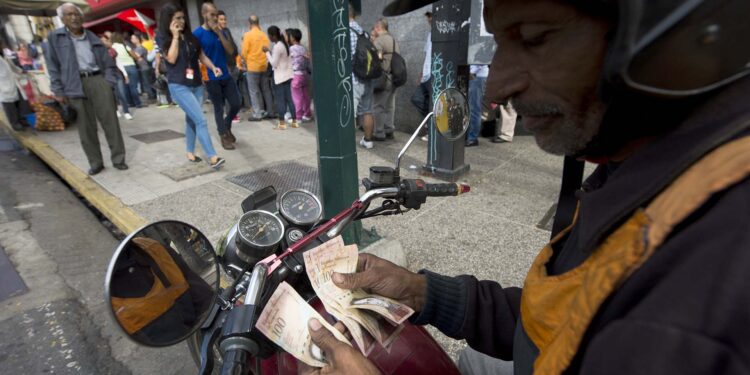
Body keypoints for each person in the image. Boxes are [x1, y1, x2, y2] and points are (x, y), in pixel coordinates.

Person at [299, 0, 750, 374]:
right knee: (474, 360)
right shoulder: (643, 163)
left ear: (671, 31)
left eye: (535, 37)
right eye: (499, 43)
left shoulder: (692, 312)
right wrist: (422, 292)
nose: (497, 84)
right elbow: (562, 321)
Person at [45, 3, 127, 175]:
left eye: (76, 14)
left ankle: (118, 159)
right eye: (69, 15)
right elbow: (53, 65)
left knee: (110, 122)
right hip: (74, 84)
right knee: (85, 127)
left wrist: (109, 82)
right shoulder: (55, 37)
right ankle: (96, 162)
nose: (73, 17)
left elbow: (108, 62)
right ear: (62, 19)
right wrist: (58, 90)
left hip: (98, 80)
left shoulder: (92, 37)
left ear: (81, 17)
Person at [155, 3, 225, 169]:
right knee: (200, 120)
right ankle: (213, 157)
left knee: (191, 119)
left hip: (196, 84)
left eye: (183, 17)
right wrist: (175, 36)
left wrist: (213, 67)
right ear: (169, 20)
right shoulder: (163, 37)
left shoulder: (191, 36)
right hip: (179, 85)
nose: (182, 21)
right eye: (177, 18)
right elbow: (171, 59)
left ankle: (189, 151)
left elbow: (201, 55)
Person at [194, 3, 241, 150]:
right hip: (210, 76)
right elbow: (199, 56)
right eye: (212, 14)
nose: (215, 18)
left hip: (225, 74)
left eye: (216, 14)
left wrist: (219, 33)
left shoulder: (222, 31)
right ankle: (223, 136)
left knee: (236, 103)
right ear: (204, 14)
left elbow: (231, 51)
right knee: (219, 107)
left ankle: (226, 126)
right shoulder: (197, 34)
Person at [349, 4, 376, 149]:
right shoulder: (364, 33)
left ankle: (348, 144)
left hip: (353, 79)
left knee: (350, 113)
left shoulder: (345, 33)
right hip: (367, 78)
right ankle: (368, 140)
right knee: (367, 110)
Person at [242, 15, 275, 121]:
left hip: (252, 67)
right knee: (266, 90)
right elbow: (267, 50)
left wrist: (245, 62)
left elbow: (244, 52)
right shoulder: (264, 35)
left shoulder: (247, 35)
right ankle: (270, 112)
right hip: (264, 66)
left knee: (254, 91)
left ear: (249, 24)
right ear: (258, 23)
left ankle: (257, 114)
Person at [263, 26, 297, 130]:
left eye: (269, 35)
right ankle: (294, 121)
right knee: (289, 99)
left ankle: (282, 123)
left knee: (280, 100)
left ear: (273, 35)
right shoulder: (284, 44)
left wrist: (267, 52)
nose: (269, 37)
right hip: (288, 75)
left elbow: (274, 63)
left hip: (280, 77)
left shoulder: (277, 46)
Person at [371, 18, 399, 141]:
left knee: (378, 106)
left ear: (378, 28)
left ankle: (379, 132)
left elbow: (376, 60)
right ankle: (389, 130)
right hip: (394, 76)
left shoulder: (379, 41)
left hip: (383, 78)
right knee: (390, 106)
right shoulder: (393, 40)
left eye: (374, 28)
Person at [99, 33, 134, 121]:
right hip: (106, 76)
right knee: (111, 95)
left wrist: (125, 74)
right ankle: (116, 109)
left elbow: (119, 62)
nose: (104, 42)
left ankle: (126, 112)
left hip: (117, 74)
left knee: (122, 93)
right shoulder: (98, 53)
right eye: (102, 41)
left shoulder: (112, 50)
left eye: (106, 40)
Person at [217, 10, 242, 124]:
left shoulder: (227, 31)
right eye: (221, 19)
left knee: (234, 91)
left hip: (233, 65)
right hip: (224, 66)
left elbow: (233, 47)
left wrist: (237, 60)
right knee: (229, 92)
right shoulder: (216, 33)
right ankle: (231, 114)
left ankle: (233, 113)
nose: (224, 21)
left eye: (225, 19)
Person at [0, 44, 31, 131]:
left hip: (12, 82)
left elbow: (12, 67)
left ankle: (21, 120)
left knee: (19, 102)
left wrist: (21, 71)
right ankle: (15, 123)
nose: (2, 46)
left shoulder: (4, 56)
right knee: (9, 106)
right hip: (3, 85)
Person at [412, 11, 432, 142]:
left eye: (431, 16)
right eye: (428, 17)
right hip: (426, 74)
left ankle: (432, 130)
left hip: (435, 75)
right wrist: (421, 73)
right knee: (417, 99)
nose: (429, 19)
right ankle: (431, 121)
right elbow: (426, 55)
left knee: (433, 104)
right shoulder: (430, 34)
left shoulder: (441, 33)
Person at [110, 32, 143, 108]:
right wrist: (137, 59)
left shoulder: (112, 48)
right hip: (130, 66)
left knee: (125, 86)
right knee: (133, 86)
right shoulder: (124, 45)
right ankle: (138, 103)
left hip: (120, 68)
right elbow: (133, 54)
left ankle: (130, 103)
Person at [287, 28, 312, 122]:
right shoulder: (303, 48)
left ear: (292, 38)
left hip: (296, 75)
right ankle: (307, 114)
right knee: (305, 96)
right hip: (304, 74)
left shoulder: (291, 49)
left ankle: (298, 117)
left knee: (297, 97)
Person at [465, 64, 489, 147]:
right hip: (475, 75)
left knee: (474, 108)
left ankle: (472, 138)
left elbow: (481, 61)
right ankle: (470, 136)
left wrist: (471, 72)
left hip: (477, 76)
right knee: (471, 107)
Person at [131, 33, 157, 101]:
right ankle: (152, 95)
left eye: (133, 38)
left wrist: (133, 55)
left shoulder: (140, 48)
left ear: (137, 39)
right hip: (143, 67)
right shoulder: (136, 48)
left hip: (145, 67)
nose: (131, 40)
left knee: (148, 83)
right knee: (147, 83)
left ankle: (152, 96)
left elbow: (136, 57)